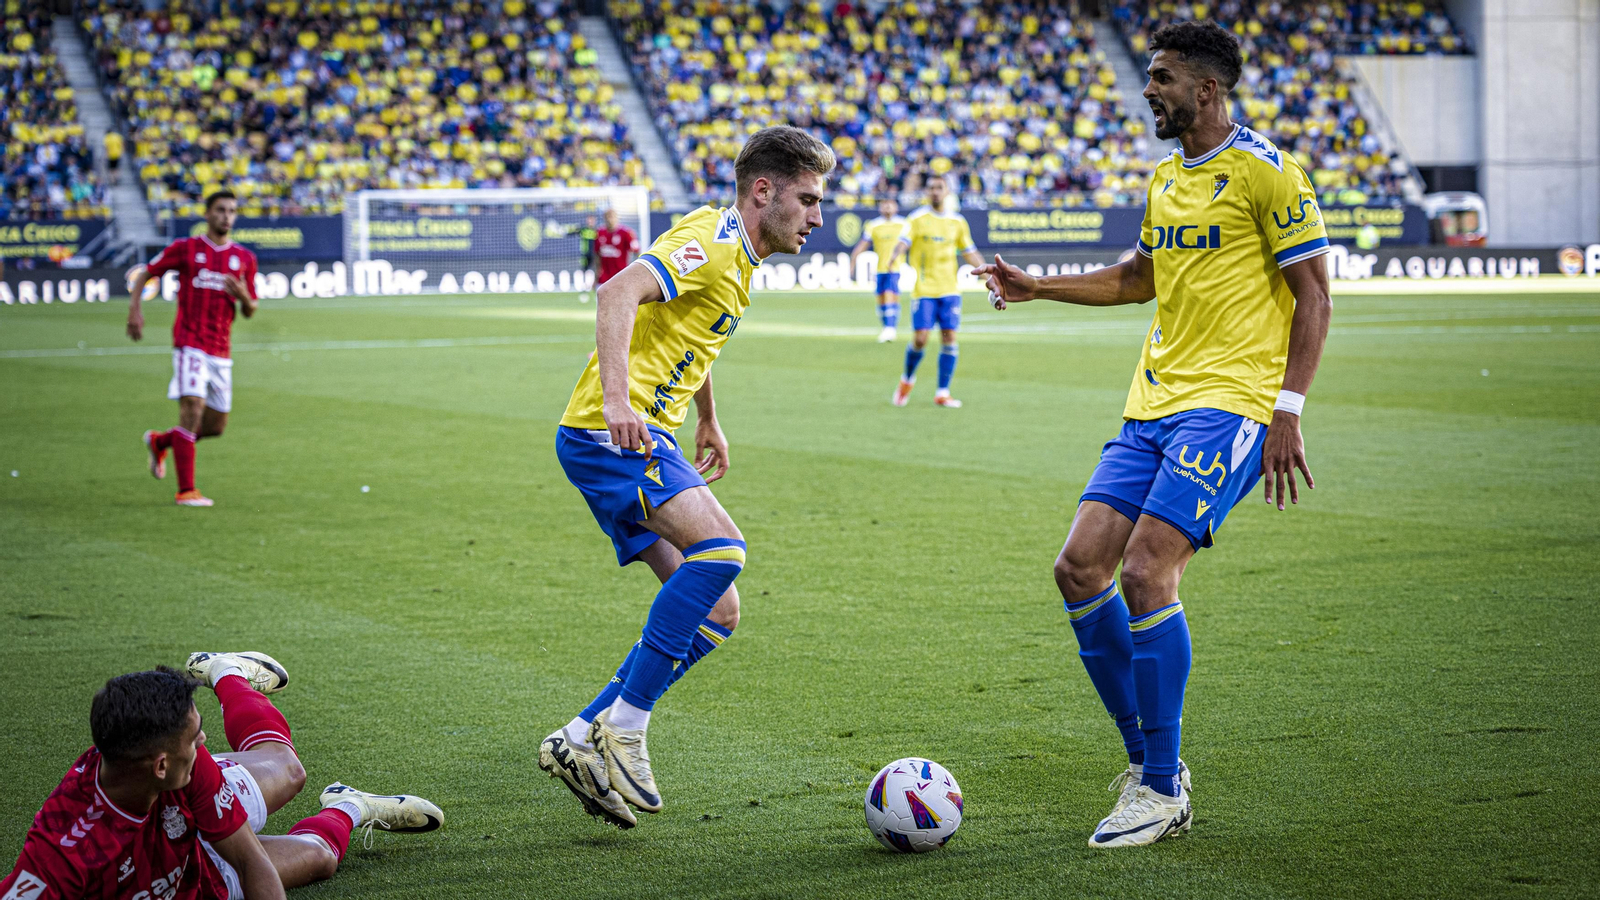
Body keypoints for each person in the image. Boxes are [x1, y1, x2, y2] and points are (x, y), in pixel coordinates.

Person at [975, 20, 1332, 848]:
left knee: (1145, 569)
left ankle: (1165, 789)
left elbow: (1313, 294)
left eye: (1162, 78)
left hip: (1233, 403)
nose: (1148, 90)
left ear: (1206, 89)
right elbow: (1139, 278)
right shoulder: (1166, 178)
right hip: (1151, 404)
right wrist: (1039, 288)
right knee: (1079, 567)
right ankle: (1147, 765)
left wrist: (1289, 408)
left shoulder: (1269, 173)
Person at [537, 126, 835, 828]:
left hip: (637, 432)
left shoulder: (738, 256)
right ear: (763, 191)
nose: (817, 217)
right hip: (608, 433)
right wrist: (617, 401)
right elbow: (617, 294)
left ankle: (580, 737)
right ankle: (628, 726)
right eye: (809, 199)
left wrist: (708, 416)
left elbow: (689, 337)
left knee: (720, 611)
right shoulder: (715, 240)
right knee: (723, 551)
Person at [0, 653, 442, 899]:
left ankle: (225, 671)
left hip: (199, 848)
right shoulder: (63, 856)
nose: (204, 740)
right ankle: (351, 804)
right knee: (321, 859)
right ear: (160, 765)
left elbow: (250, 861)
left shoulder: (184, 767)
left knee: (288, 771)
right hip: (197, 884)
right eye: (195, 739)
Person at [127, 191, 259, 507]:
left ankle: (161, 442)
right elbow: (147, 271)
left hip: (221, 350)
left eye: (231, 211)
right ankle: (186, 490)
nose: (226, 216)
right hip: (190, 343)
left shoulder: (244, 259)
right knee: (191, 408)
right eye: (220, 210)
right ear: (208, 214)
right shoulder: (187, 249)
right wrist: (135, 308)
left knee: (214, 427)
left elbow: (251, 309)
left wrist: (243, 295)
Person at [886, 177, 983, 408]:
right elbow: (904, 242)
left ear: (947, 191)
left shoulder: (957, 222)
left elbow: (969, 251)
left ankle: (942, 392)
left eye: (939, 188)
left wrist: (987, 274)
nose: (935, 192)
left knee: (949, 337)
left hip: (950, 290)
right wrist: (894, 255)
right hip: (924, 290)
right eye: (931, 188)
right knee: (920, 339)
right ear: (926, 192)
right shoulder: (918, 219)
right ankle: (907, 380)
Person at [848, 198, 907, 343]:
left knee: (889, 294)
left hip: (895, 267)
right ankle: (887, 327)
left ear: (896, 207)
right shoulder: (874, 225)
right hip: (880, 267)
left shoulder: (903, 224)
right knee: (881, 298)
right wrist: (853, 261)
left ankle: (890, 328)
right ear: (880, 208)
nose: (887, 207)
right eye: (884, 204)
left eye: (890, 204)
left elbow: (907, 243)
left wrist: (895, 256)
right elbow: (863, 244)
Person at [593, 208, 640, 286]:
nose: (609, 219)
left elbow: (637, 252)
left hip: (620, 276)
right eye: (607, 217)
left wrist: (635, 272)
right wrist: (596, 275)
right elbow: (597, 255)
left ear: (617, 218)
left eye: (612, 217)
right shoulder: (599, 233)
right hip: (604, 277)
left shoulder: (626, 233)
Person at [577, 215, 599, 302]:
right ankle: (584, 286)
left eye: (592, 220)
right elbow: (573, 231)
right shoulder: (583, 230)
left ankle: (594, 286)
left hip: (594, 254)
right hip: (585, 254)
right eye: (589, 220)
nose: (590, 222)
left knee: (595, 270)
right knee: (584, 270)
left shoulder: (597, 231)